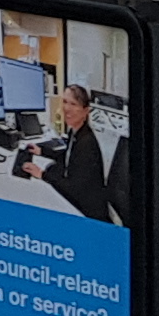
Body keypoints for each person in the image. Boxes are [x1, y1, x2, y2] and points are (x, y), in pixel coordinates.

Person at [33, 83, 120, 224]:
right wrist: (41, 151)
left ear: (86, 111)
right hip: (80, 202)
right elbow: (69, 156)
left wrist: (42, 174)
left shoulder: (87, 143)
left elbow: (73, 188)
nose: (67, 108)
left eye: (73, 104)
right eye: (65, 102)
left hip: (88, 214)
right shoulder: (76, 132)